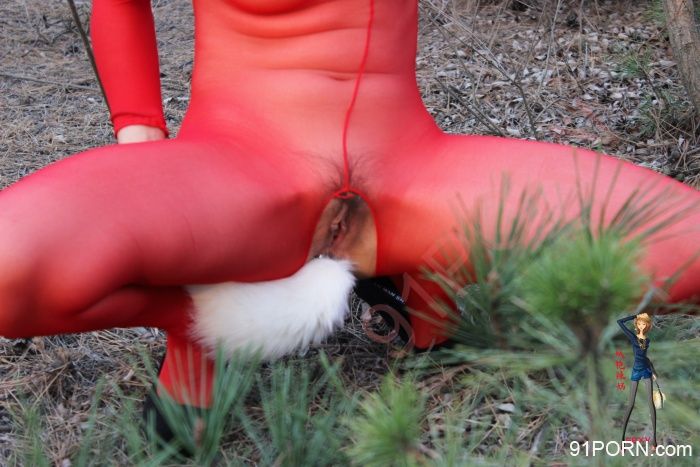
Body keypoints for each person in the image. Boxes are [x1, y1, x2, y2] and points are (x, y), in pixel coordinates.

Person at [1, 0, 699, 413]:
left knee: (686, 247)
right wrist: (140, 136)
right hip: (240, 167)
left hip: (414, 171)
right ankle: (204, 325)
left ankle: (425, 288)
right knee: (11, 267)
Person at [618, 312, 657, 447]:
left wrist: (653, 371)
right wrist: (634, 316)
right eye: (639, 323)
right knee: (630, 404)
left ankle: (654, 440)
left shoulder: (647, 340)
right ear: (637, 324)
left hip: (646, 370)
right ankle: (622, 440)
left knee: (650, 403)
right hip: (636, 371)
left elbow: (645, 357)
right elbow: (620, 322)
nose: (641, 326)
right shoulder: (633, 337)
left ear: (647, 325)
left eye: (643, 324)